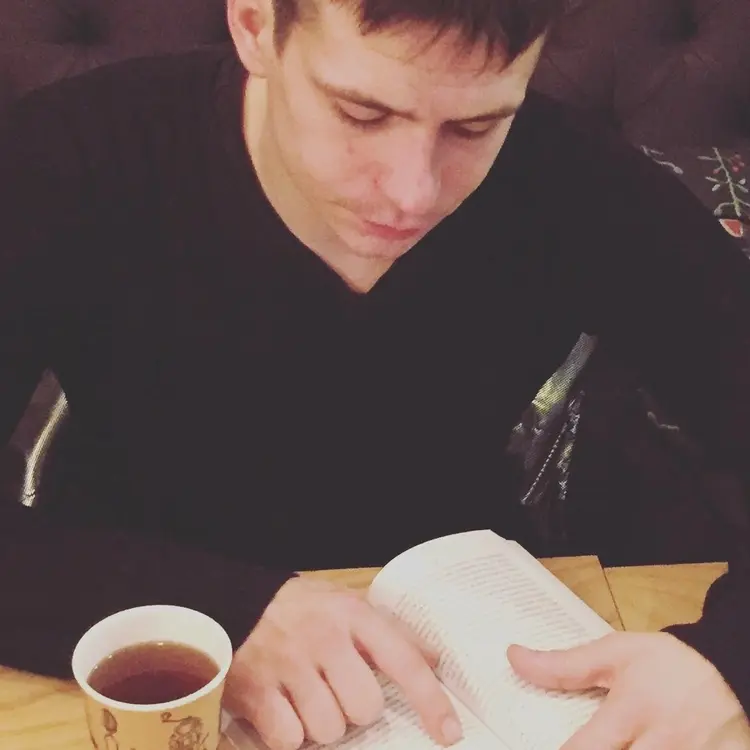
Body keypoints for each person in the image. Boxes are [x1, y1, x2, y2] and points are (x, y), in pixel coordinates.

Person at [1, 0, 749, 748]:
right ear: (256, 26)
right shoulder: (64, 157)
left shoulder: (576, 179)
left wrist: (725, 661)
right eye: (361, 114)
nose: (413, 193)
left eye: (475, 127)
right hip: (121, 628)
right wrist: (219, 608)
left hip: (467, 639)